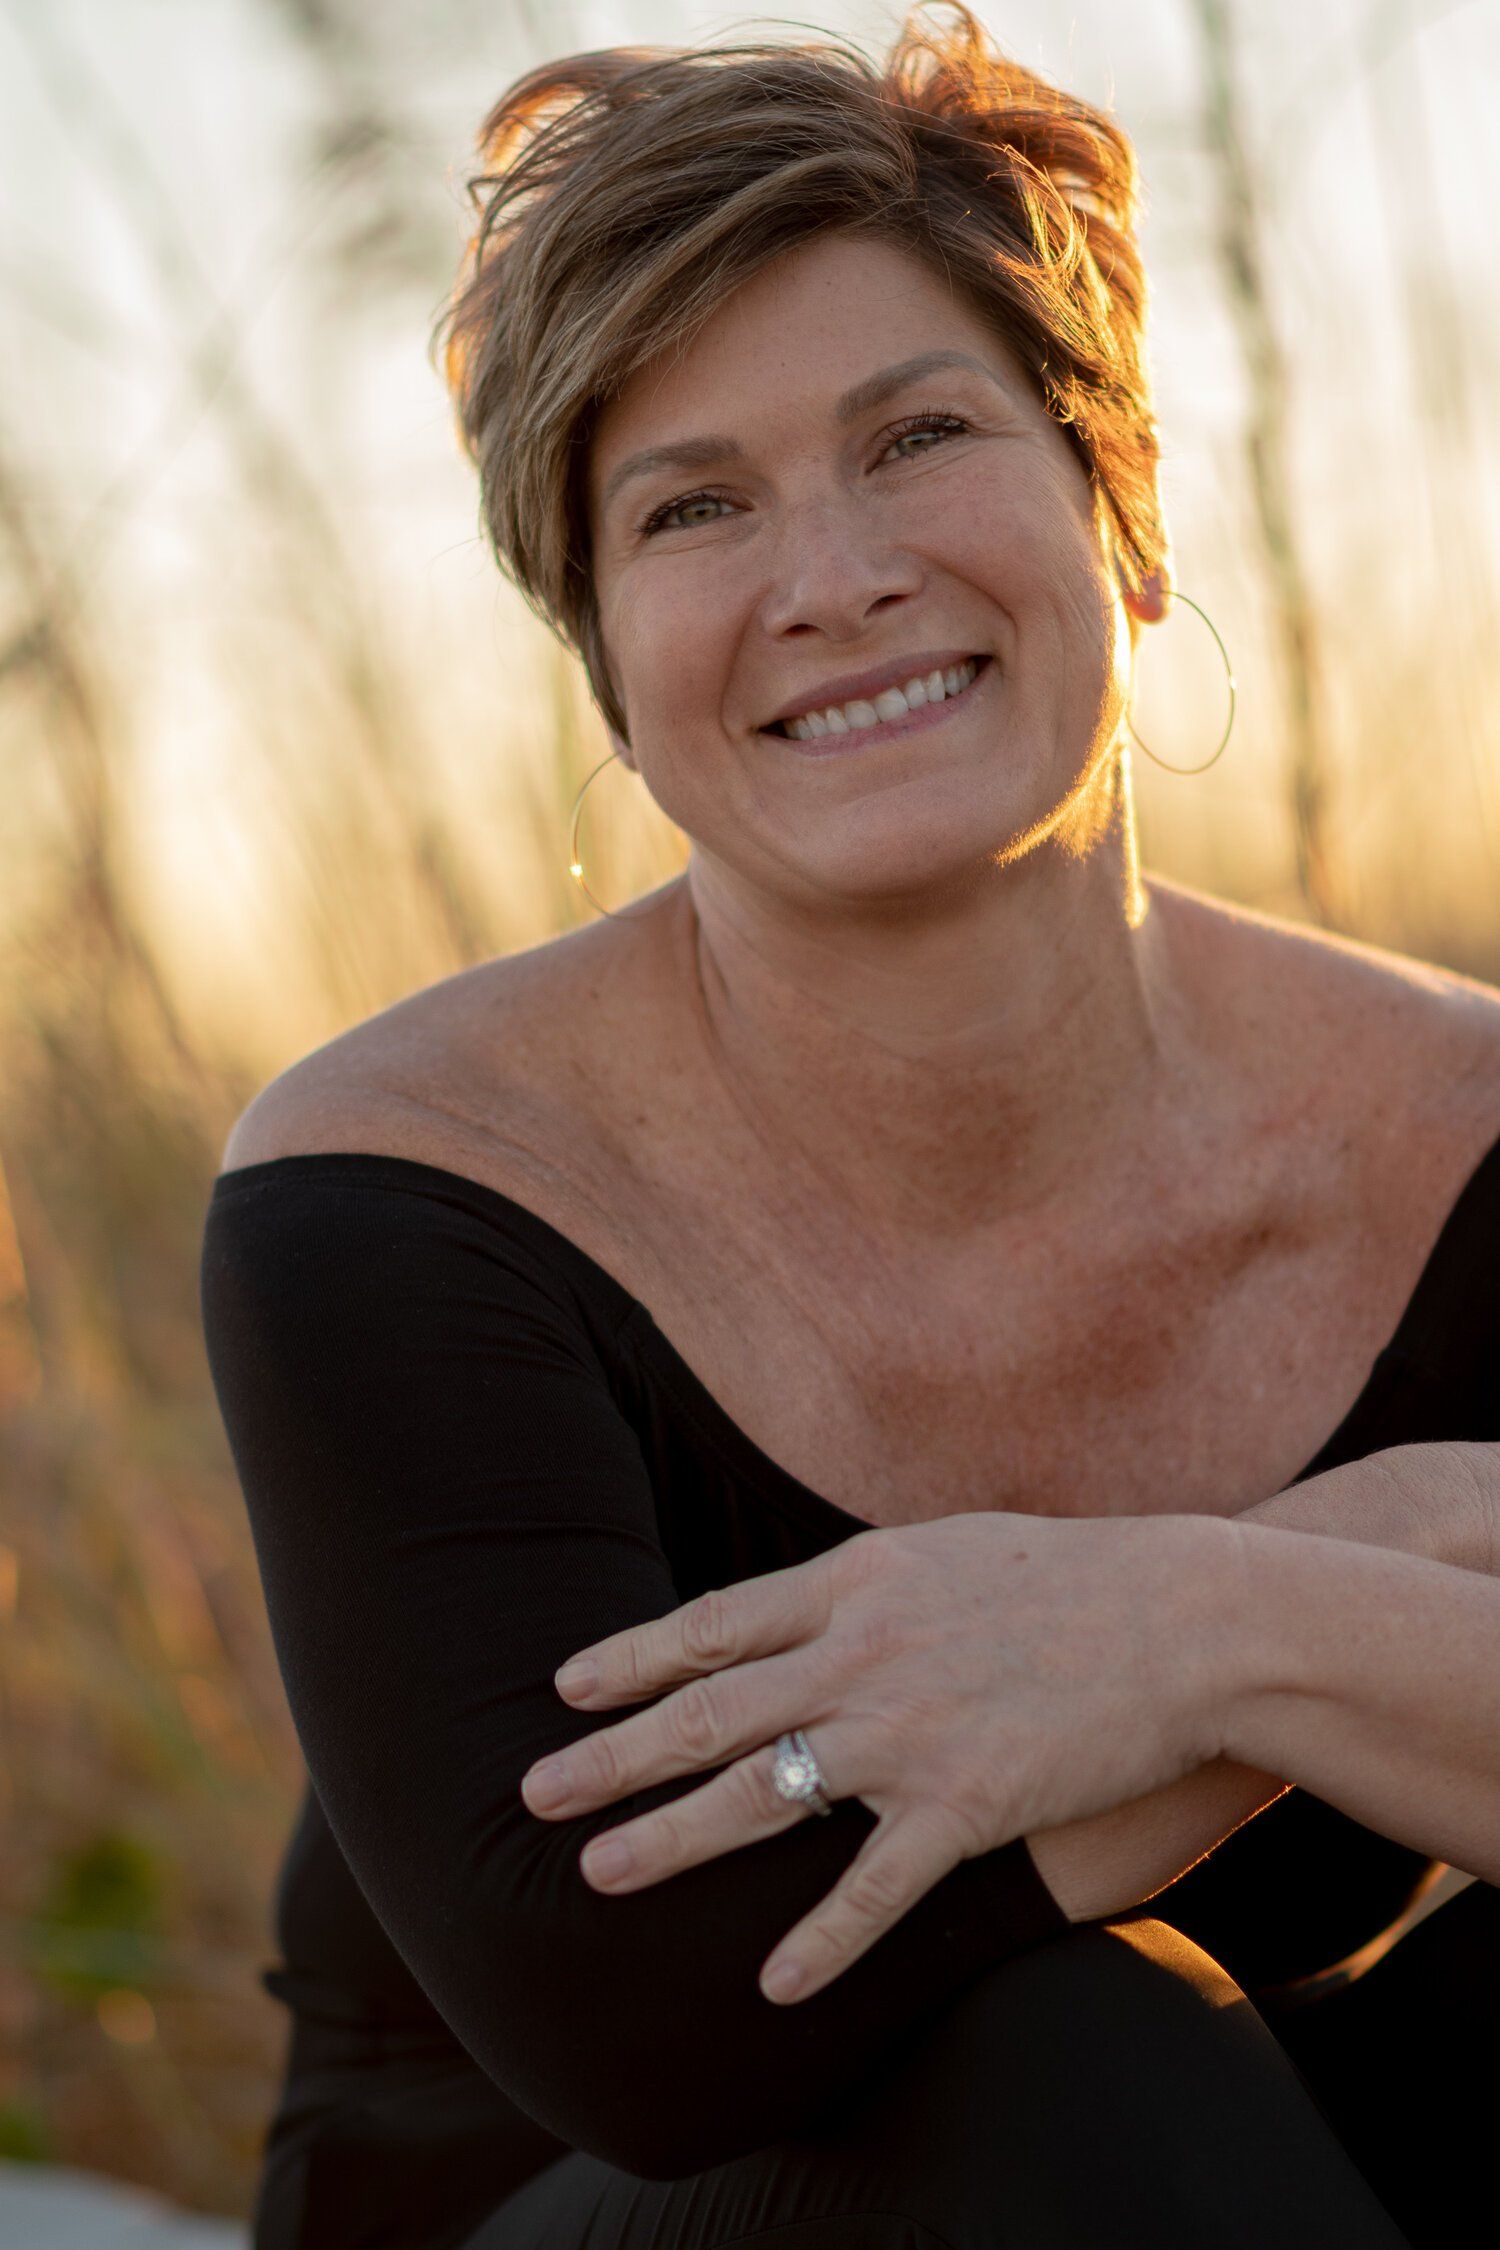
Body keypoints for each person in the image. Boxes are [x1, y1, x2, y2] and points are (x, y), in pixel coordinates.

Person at [199, 8, 1500, 2245]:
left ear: (1126, 511)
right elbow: (648, 2019)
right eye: (694, 506)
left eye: (919, 437)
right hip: (579, 2198)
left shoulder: (1460, 1131)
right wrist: (1368, 1578)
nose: (833, 576)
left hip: (1231, 2178)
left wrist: (1195, 1623)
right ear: (608, 661)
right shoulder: (400, 1191)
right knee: (1067, 2036)